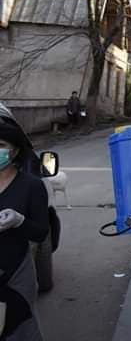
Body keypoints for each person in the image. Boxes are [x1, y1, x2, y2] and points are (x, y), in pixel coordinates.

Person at [0, 115, 49, 341]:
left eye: (1, 145)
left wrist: (19, 221)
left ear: (15, 151)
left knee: (18, 329)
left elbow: (40, 232)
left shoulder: (31, 185)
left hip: (16, 273)